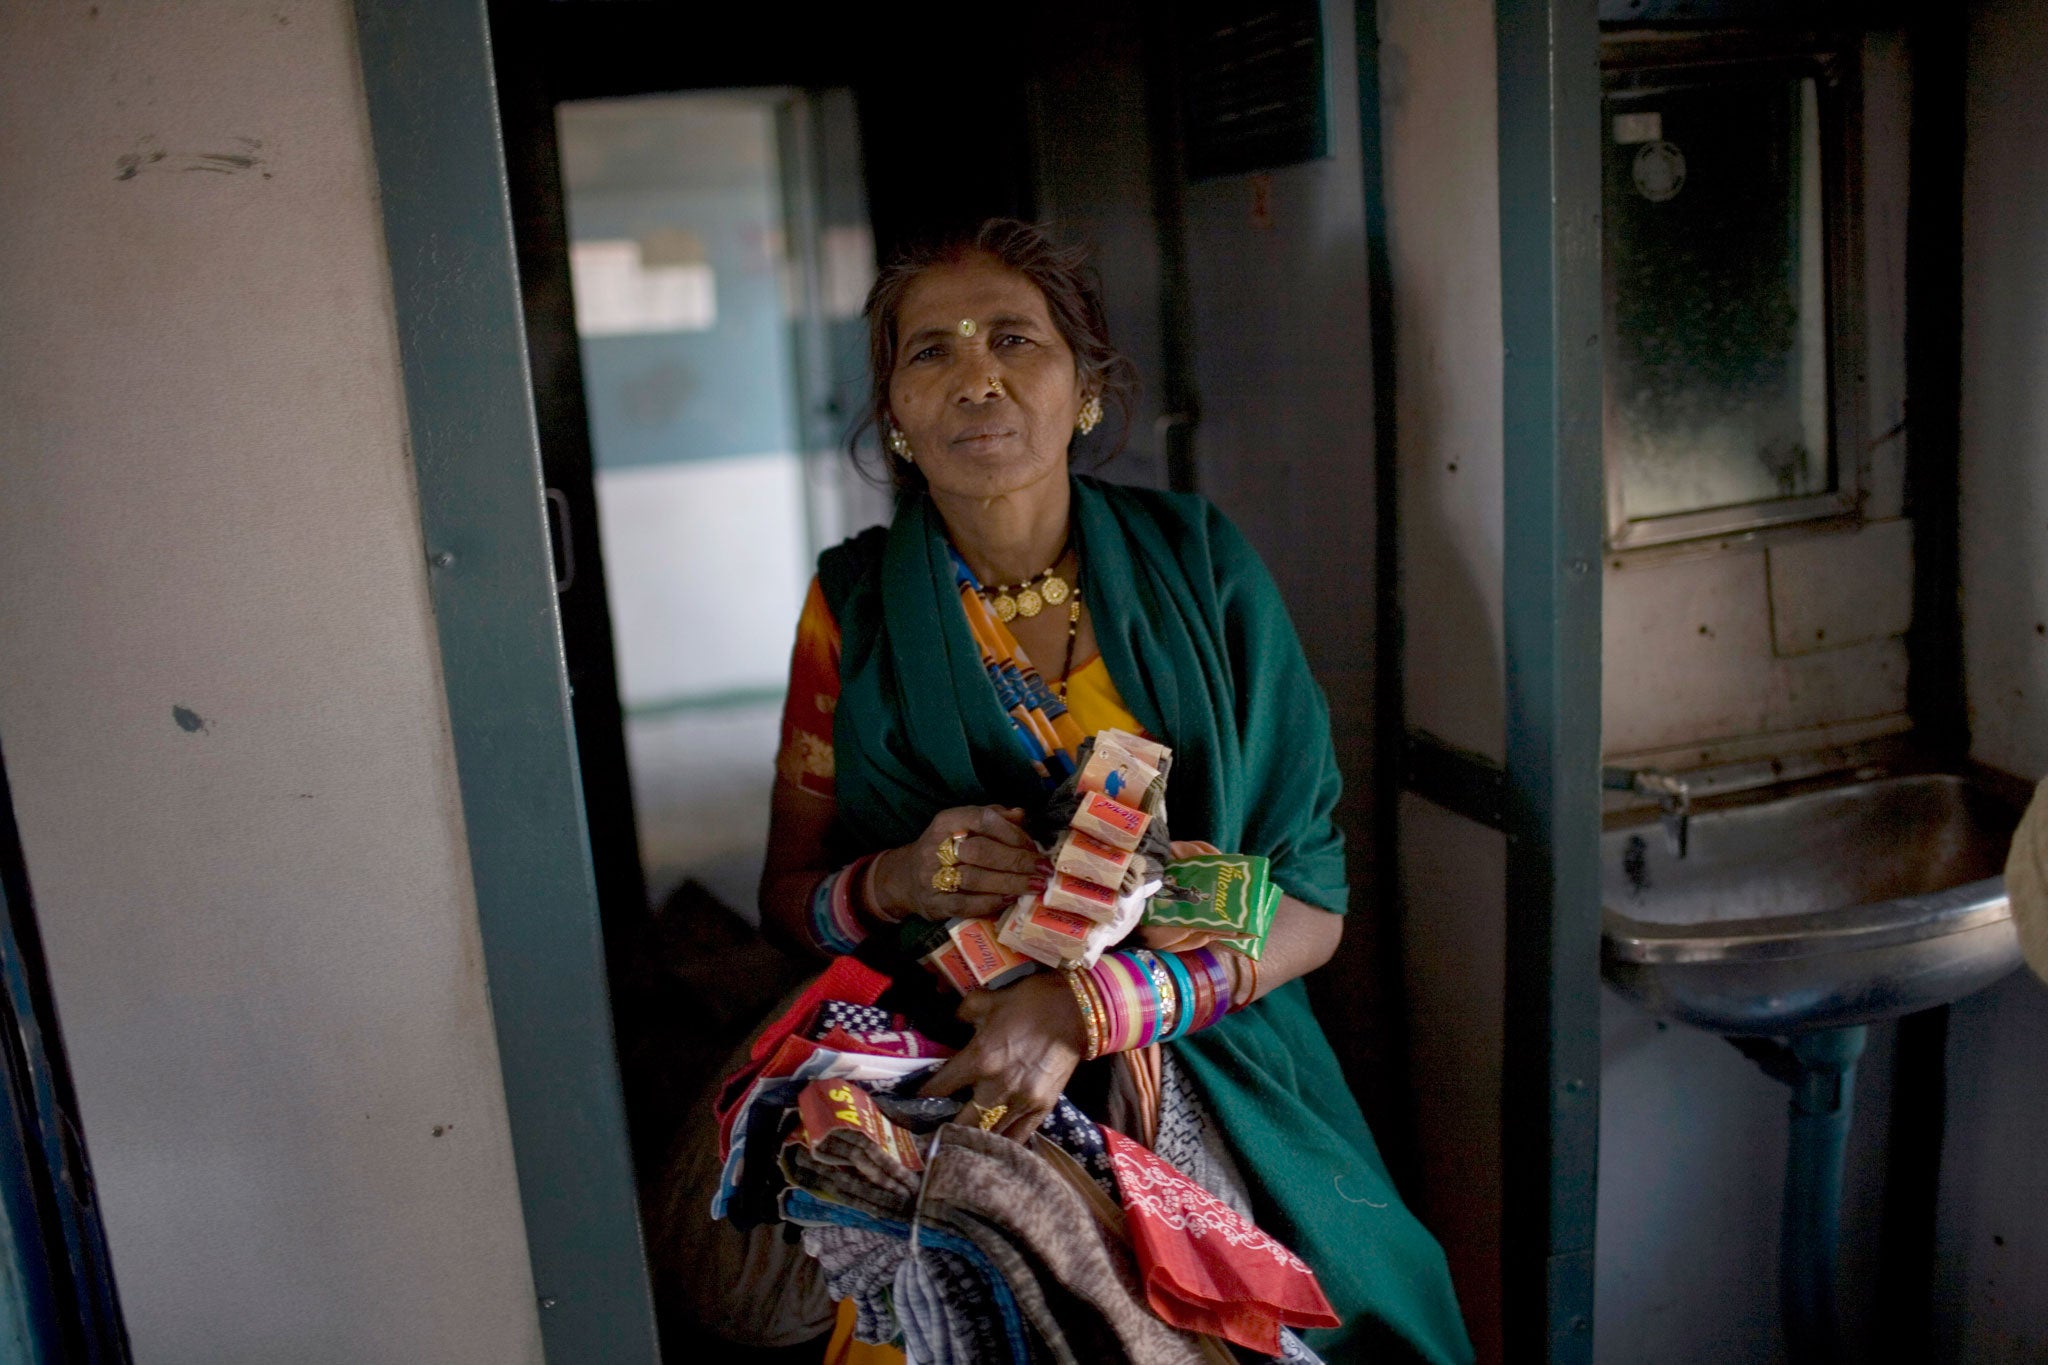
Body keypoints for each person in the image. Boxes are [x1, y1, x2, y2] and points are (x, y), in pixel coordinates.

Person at [759, 218, 1471, 1365]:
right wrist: (896, 877)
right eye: (929, 350)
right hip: (953, 1062)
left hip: (1217, 1042)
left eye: (1012, 339)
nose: (975, 374)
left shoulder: (1201, 566)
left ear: (1084, 387)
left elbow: (1314, 901)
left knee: (1341, 1312)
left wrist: (1093, 1009)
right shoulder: (849, 611)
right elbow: (785, 900)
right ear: (892, 410)